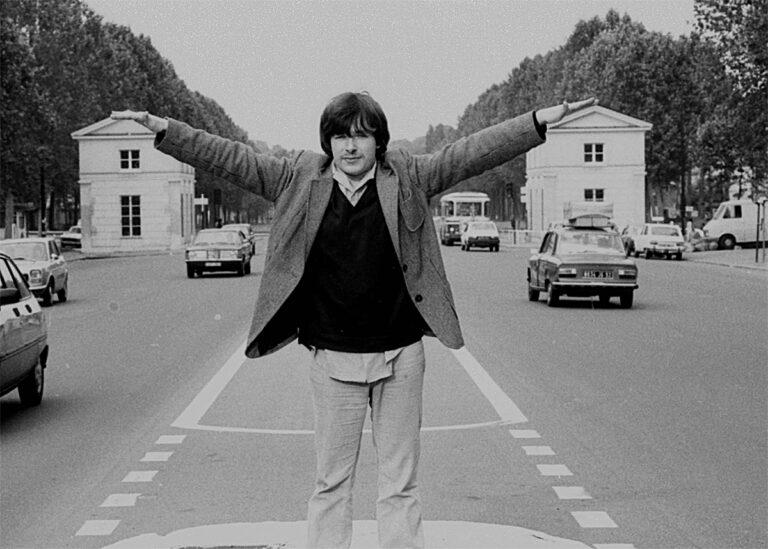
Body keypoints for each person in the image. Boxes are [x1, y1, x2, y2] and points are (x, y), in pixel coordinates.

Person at [112, 93, 595, 549]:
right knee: (330, 484)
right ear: (328, 141)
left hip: (400, 356)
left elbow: (470, 153)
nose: (350, 145)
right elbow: (230, 158)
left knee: (400, 484)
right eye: (340, 136)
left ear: (378, 141)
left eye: (361, 135)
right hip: (332, 360)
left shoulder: (407, 176)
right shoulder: (297, 177)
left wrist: (536, 123)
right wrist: (166, 131)